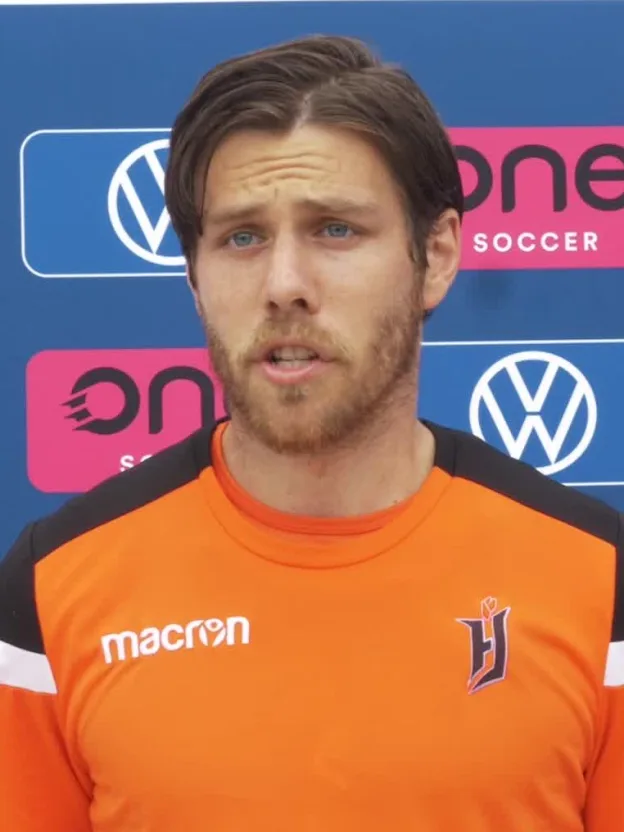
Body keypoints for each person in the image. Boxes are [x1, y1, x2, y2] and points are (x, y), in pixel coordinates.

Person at [0, 34, 621, 832]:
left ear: (435, 255)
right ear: (194, 278)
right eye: (242, 237)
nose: (284, 285)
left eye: (334, 230)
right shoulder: (54, 589)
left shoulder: (599, 579)